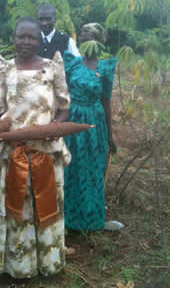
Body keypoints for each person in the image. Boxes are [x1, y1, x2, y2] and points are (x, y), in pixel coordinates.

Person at [0, 16, 71, 280]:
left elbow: (63, 108)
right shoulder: (4, 69)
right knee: (18, 211)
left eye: (31, 37)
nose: (26, 41)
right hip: (13, 154)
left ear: (39, 40)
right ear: (13, 38)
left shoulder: (52, 68)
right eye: (21, 36)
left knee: (45, 207)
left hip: (46, 154)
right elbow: (0, 112)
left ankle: (48, 264)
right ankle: (20, 268)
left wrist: (54, 129)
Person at [64, 23, 117, 232]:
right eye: (84, 37)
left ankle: (92, 220)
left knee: (93, 168)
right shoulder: (72, 64)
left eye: (92, 37)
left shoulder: (105, 67)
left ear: (100, 42)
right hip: (72, 119)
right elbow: (62, 95)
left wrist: (110, 135)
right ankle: (68, 220)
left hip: (95, 124)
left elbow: (106, 101)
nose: (87, 40)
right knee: (71, 167)